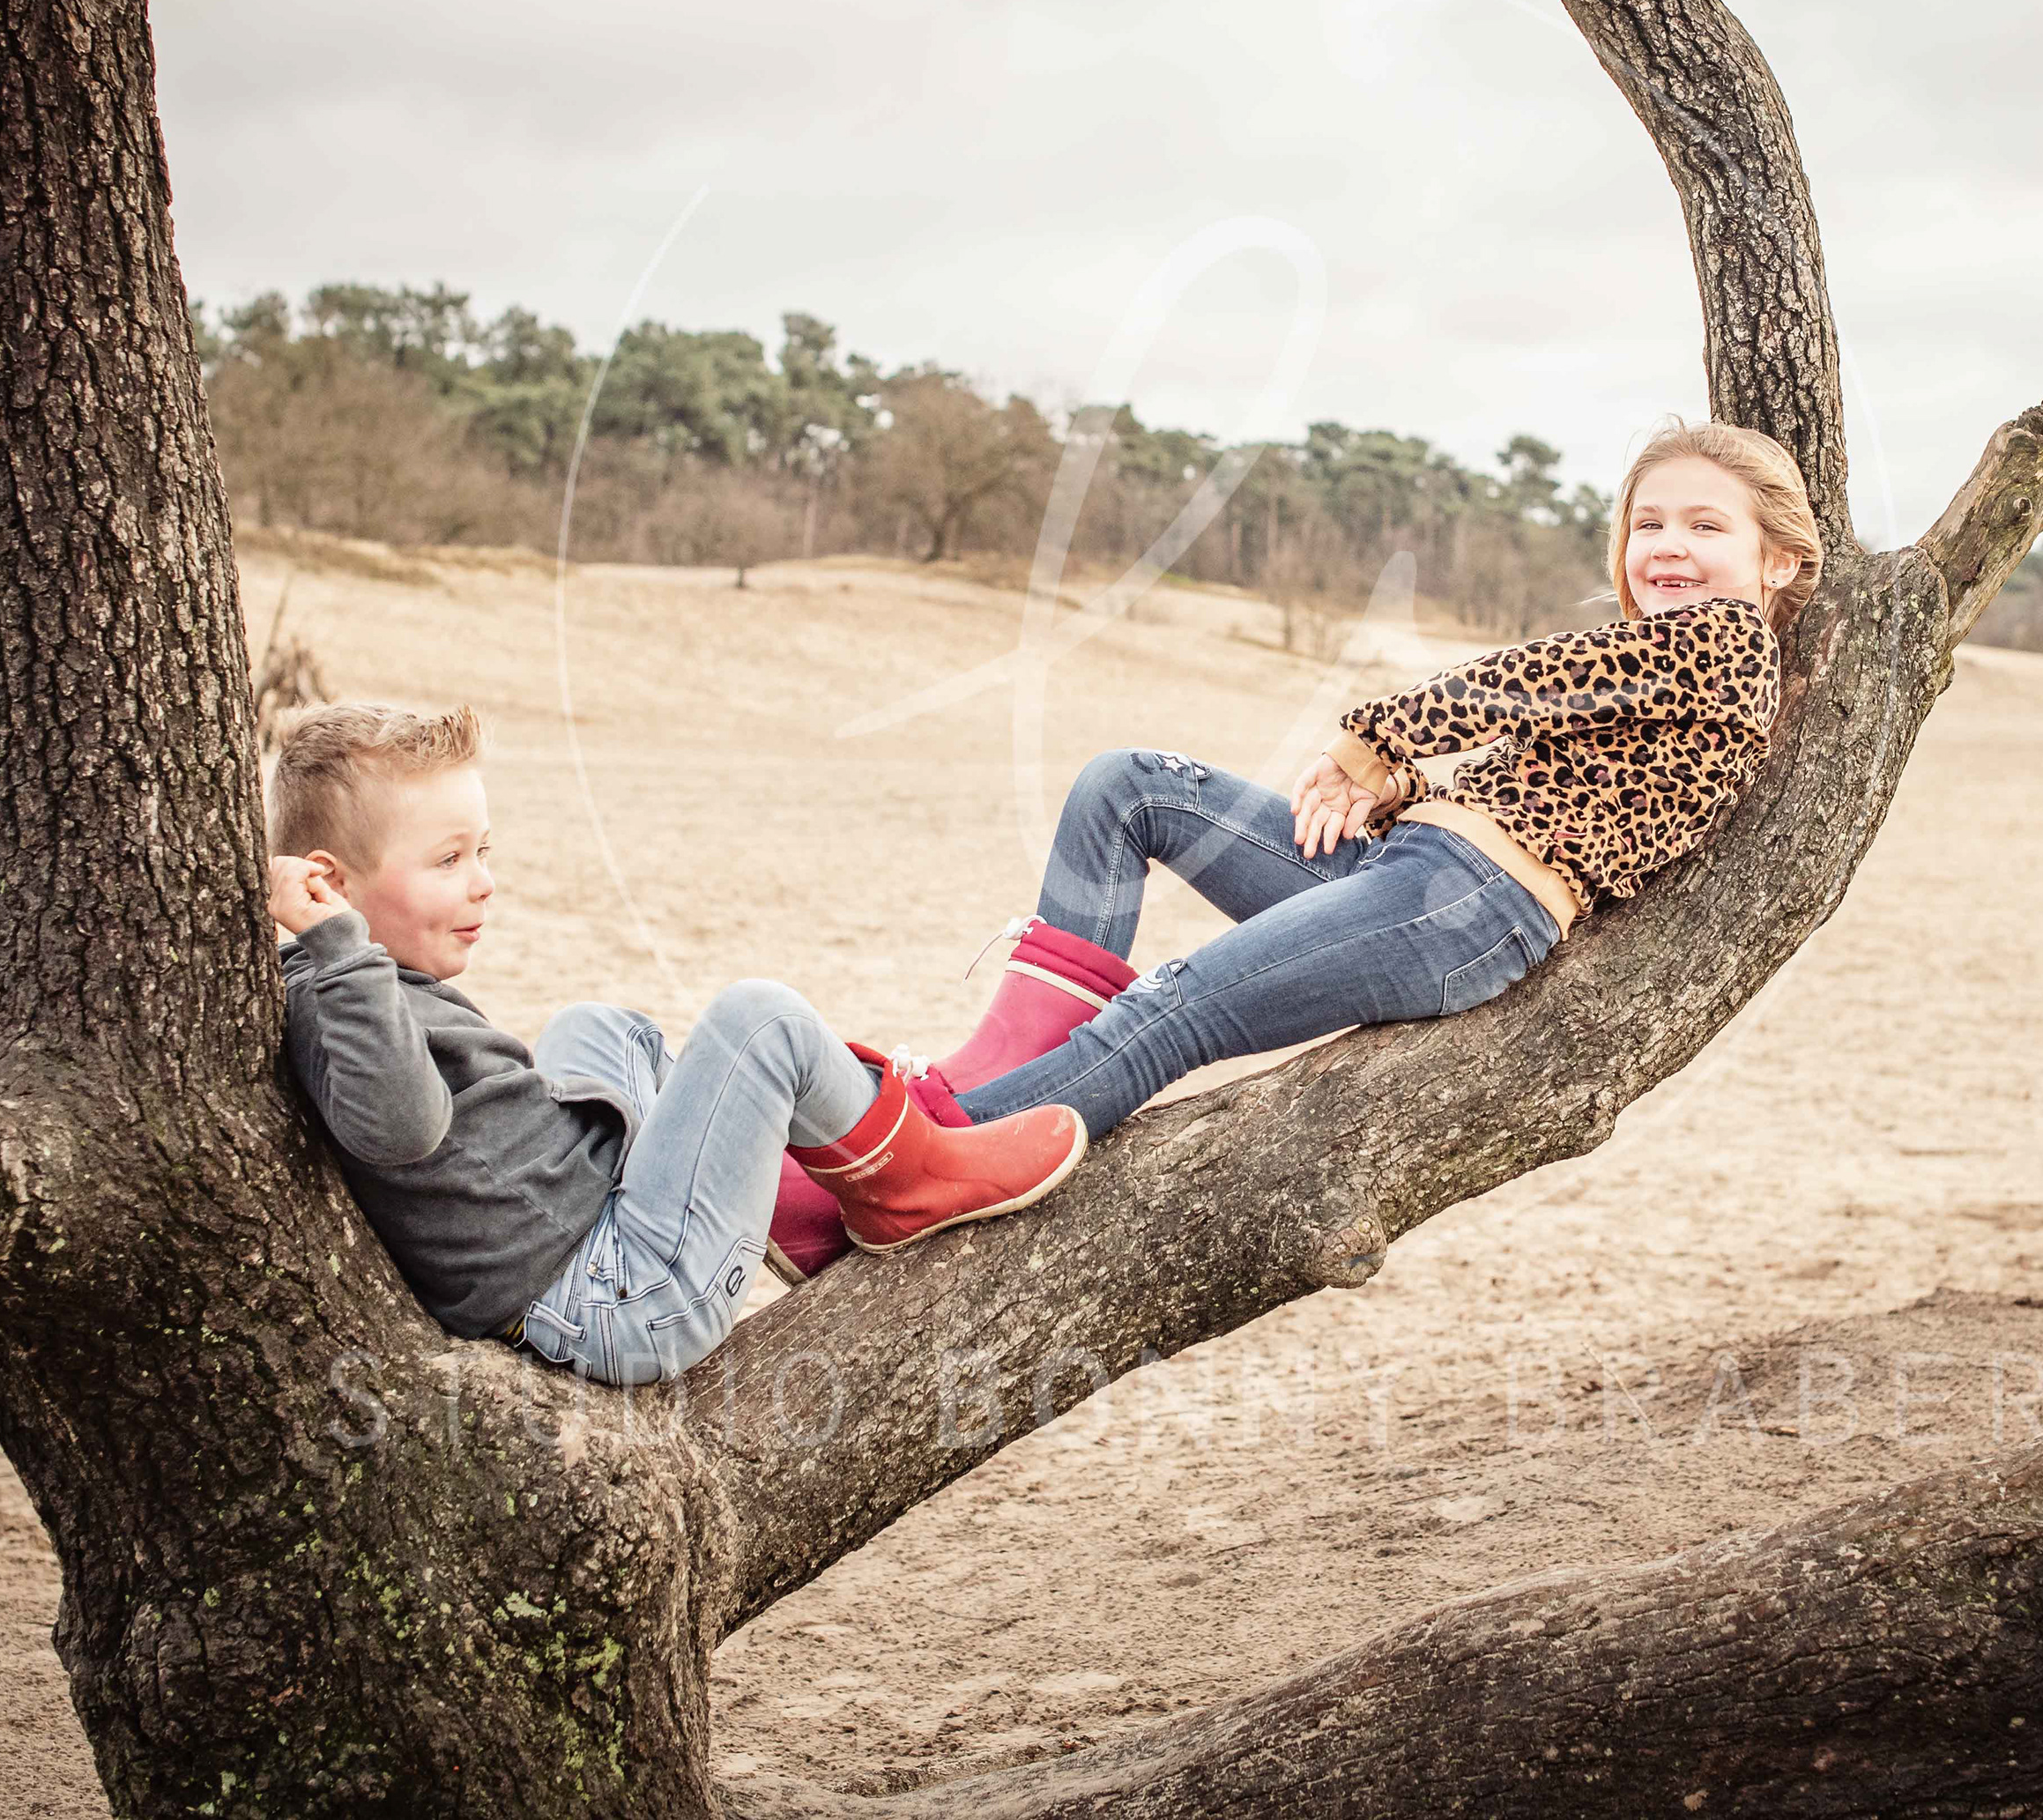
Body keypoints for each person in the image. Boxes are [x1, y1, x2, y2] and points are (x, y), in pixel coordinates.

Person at [768, 419, 1820, 1281]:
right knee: (1130, 788)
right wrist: (1402, 786)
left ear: (1778, 560)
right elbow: (1539, 776)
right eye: (1648, 522)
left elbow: (1526, 677)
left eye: (1706, 526)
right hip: (1411, 864)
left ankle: (897, 1169)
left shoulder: (1726, 644)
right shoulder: (1663, 660)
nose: (1668, 545)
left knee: (1177, 1003)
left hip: (1468, 903)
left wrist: (1378, 738)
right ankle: (971, 1099)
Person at [266, 702, 1086, 1385]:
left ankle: (775, 1194)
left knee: (594, 1025)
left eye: (483, 851)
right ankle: (911, 1182)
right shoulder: (338, 994)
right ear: (330, 885)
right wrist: (342, 947)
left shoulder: (350, 980)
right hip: (619, 1296)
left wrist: (347, 950)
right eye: (447, 859)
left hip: (586, 1228)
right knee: (761, 1023)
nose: (483, 881)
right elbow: (402, 1125)